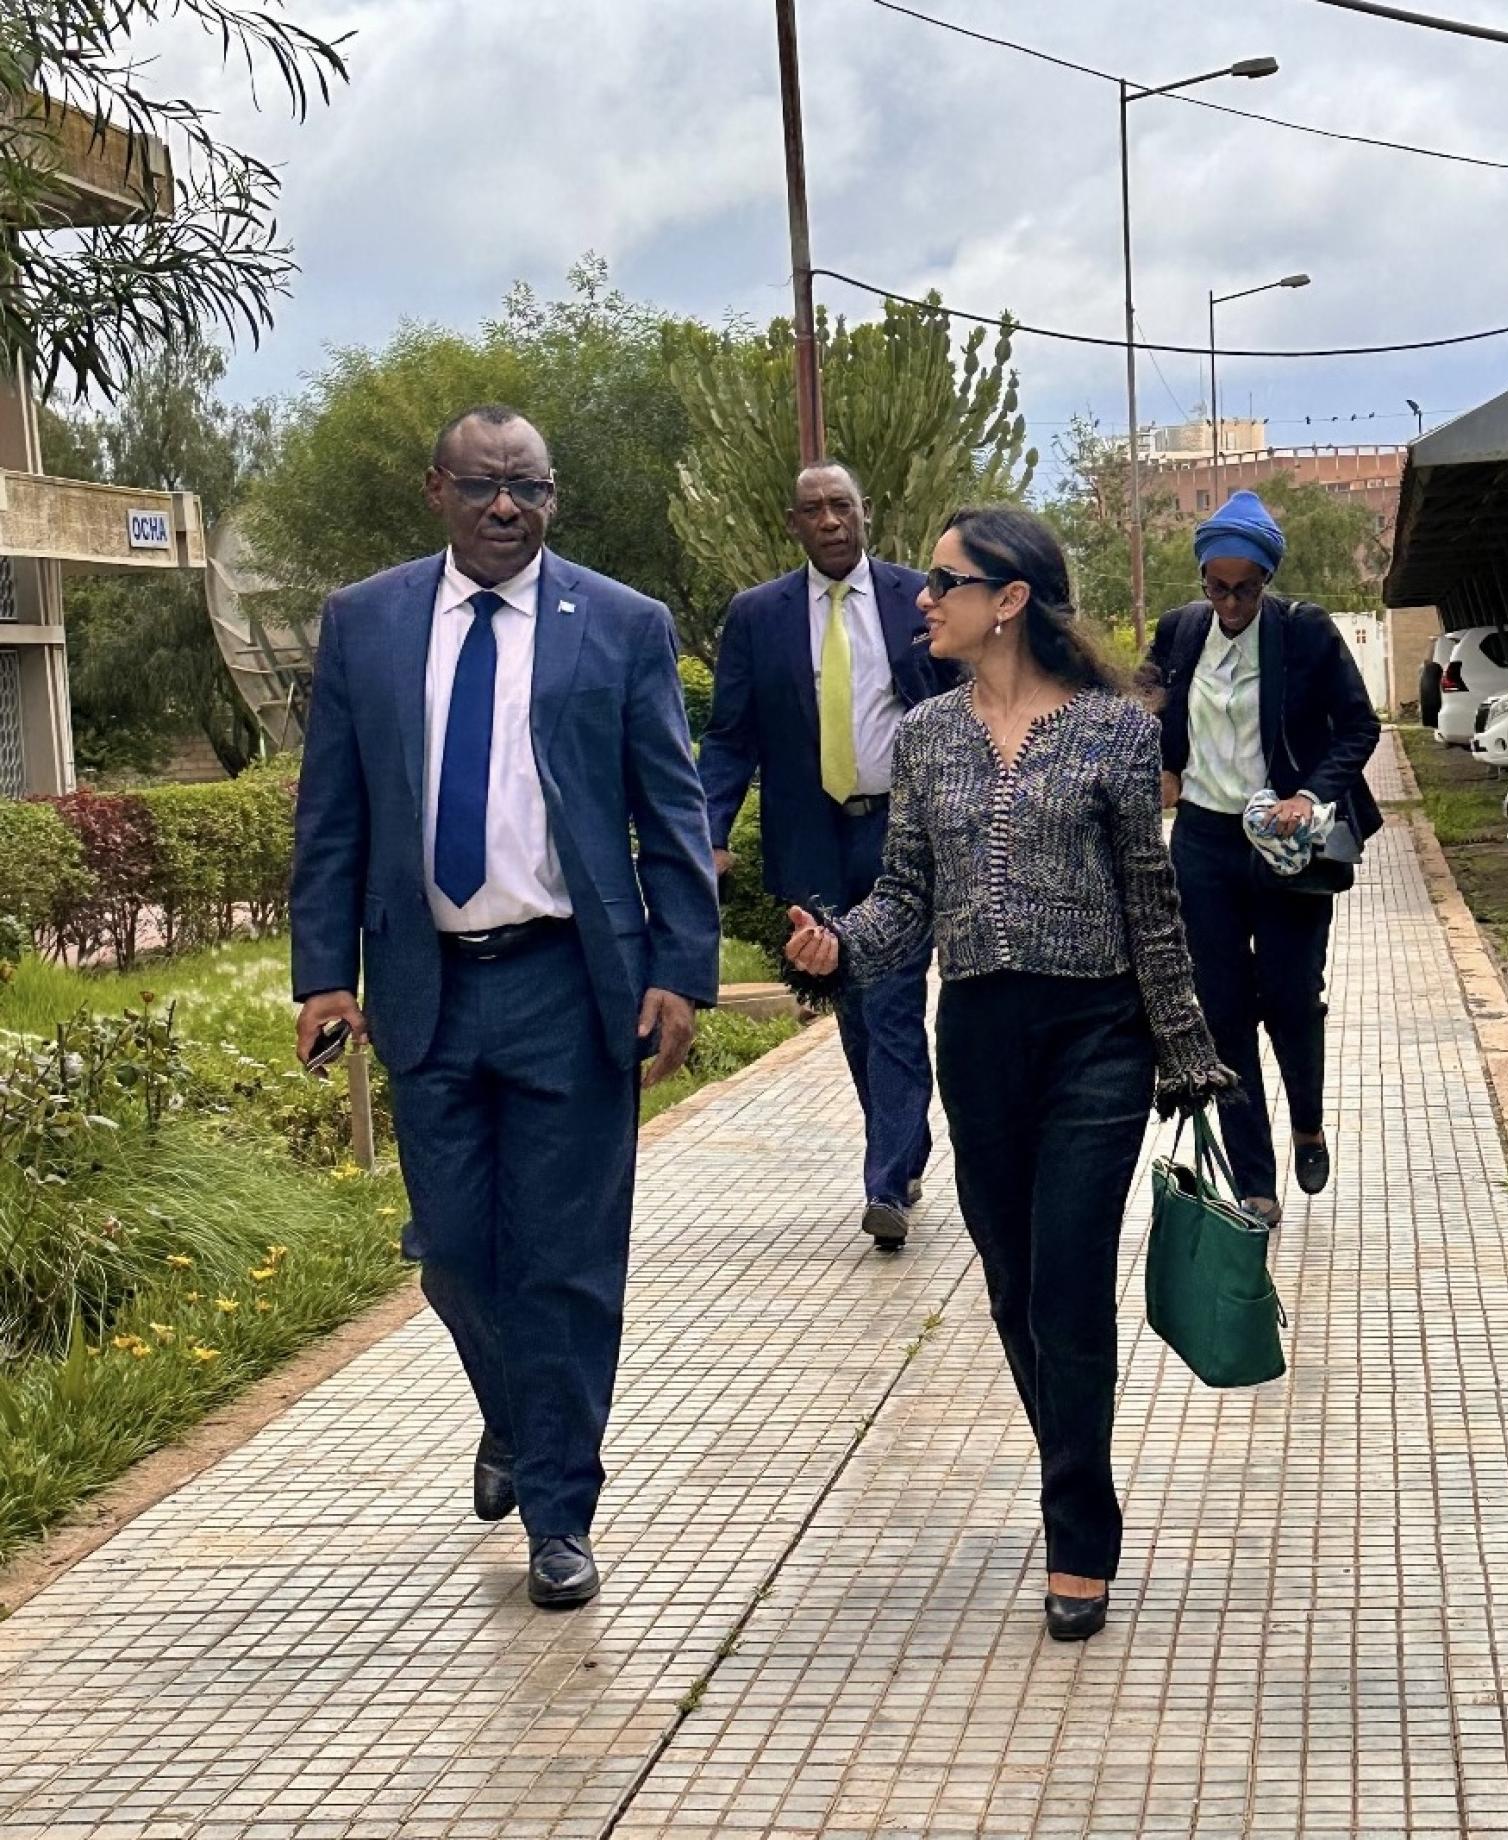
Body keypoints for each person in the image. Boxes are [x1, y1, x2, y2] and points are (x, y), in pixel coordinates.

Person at [290, 405, 719, 1610]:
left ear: (551, 499)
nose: (501, 508)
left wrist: (679, 970)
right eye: (480, 485)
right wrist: (324, 971)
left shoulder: (621, 626)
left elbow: (671, 813)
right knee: (453, 1253)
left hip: (566, 984)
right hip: (422, 986)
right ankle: (519, 1416)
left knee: (568, 1263)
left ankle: (559, 1510)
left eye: (524, 488)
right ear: (435, 488)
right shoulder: (364, 624)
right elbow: (330, 815)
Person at [784, 506, 1233, 1642]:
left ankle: (1076, 1530)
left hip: (1096, 1036)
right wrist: (838, 947)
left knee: (1067, 1283)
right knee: (1008, 1286)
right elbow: (905, 900)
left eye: (942, 581)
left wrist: (1184, 1049)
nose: (921, 600)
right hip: (977, 1034)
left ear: (1010, 599)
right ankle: (1074, 1469)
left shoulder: (1115, 732)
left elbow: (1149, 901)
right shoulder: (925, 736)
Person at [699, 460, 956, 1249]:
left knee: (892, 998)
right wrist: (707, 835)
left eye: (842, 505)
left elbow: (961, 703)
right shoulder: (757, 615)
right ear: (795, 525)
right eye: (813, 510)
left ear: (865, 511)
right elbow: (731, 736)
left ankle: (885, 1185)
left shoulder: (920, 598)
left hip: (899, 830)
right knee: (847, 999)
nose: (831, 521)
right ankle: (903, 1145)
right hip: (811, 834)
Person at [1147, 488, 1381, 1226]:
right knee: (1221, 1011)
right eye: (1217, 587)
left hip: (1284, 844)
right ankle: (1256, 1180)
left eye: (1245, 588)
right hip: (1205, 841)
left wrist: (1309, 796)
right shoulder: (1181, 631)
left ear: (1267, 581)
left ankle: (1307, 1120)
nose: (1231, 602)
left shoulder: (1304, 632)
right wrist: (1162, 759)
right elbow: (1149, 709)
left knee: (1286, 995)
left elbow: (1359, 727)